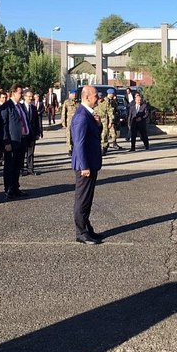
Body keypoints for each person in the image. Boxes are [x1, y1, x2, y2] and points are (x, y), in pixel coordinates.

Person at [71, 85, 104, 244]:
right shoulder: (81, 116)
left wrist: (98, 125)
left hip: (91, 163)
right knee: (82, 200)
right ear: (87, 97)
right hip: (85, 166)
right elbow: (79, 143)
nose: (98, 98)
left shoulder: (89, 115)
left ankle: (87, 228)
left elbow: (94, 136)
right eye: (96, 96)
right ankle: (81, 233)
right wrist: (84, 166)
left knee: (88, 199)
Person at [0, 83, 30, 199]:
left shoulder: (20, 106)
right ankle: (8, 189)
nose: (21, 95)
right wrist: (6, 142)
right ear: (13, 93)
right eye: (20, 93)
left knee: (18, 166)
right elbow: (3, 126)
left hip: (22, 140)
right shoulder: (6, 107)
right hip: (12, 141)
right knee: (9, 166)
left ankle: (15, 187)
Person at [22, 88, 42, 176]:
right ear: (24, 97)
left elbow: (36, 122)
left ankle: (30, 168)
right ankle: (22, 169)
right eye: (29, 97)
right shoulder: (20, 107)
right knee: (22, 152)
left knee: (31, 152)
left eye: (31, 97)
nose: (31, 98)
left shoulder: (33, 108)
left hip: (32, 134)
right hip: (23, 134)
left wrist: (38, 133)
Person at [60, 90, 79, 156]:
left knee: (76, 135)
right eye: (73, 94)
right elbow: (63, 113)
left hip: (77, 122)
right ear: (70, 95)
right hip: (69, 121)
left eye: (75, 94)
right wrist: (63, 122)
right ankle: (70, 149)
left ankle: (75, 148)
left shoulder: (78, 102)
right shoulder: (67, 102)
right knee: (69, 135)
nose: (74, 95)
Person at [0, 90, 8, 166]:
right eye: (3, 97)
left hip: (5, 129)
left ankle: (4, 158)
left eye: (5, 97)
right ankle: (0, 158)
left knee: (5, 145)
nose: (4, 99)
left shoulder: (8, 107)